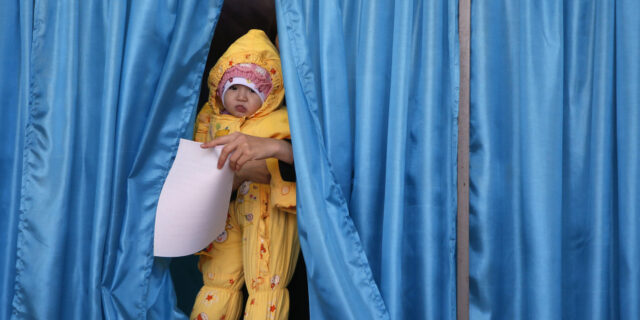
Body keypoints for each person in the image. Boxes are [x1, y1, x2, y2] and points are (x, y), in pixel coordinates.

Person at [190, 29, 298, 320]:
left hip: (267, 211)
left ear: (269, 94)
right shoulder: (210, 119)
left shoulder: (284, 118)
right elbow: (198, 154)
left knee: (265, 281)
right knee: (218, 280)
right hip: (224, 212)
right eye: (234, 87)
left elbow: (308, 162)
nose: (241, 96)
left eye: (253, 90)